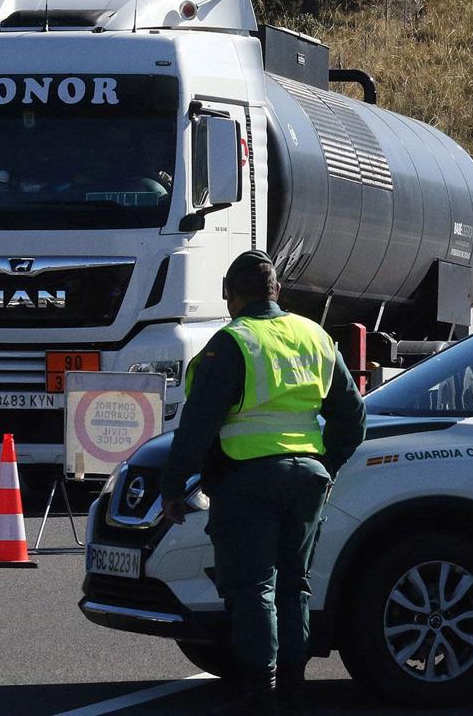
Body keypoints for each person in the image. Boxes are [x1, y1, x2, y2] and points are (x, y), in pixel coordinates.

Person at [160, 250, 366, 716]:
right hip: (307, 479)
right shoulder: (314, 336)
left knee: (252, 588)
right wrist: (324, 466)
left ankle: (259, 696)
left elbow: (197, 425)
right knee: (294, 584)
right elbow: (352, 419)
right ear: (277, 291)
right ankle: (292, 692)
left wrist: (173, 487)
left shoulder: (232, 342)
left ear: (231, 296)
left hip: (247, 479)